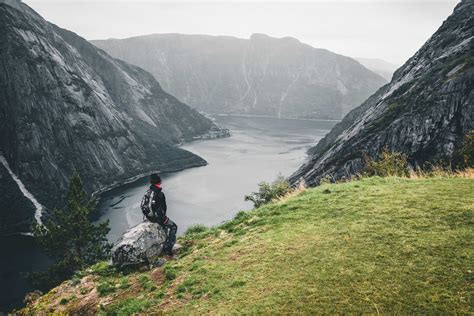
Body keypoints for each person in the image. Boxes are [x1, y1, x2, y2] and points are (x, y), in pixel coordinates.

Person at [142, 173, 177, 256]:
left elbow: (145, 206)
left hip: (148, 218)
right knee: (173, 227)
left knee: (164, 230)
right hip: (158, 218)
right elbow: (161, 209)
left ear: (151, 182)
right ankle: (168, 249)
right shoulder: (160, 194)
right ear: (159, 181)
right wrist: (162, 219)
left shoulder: (148, 192)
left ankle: (162, 246)